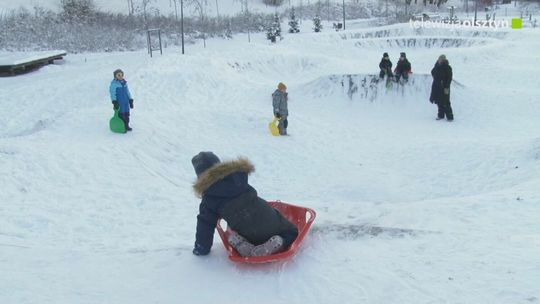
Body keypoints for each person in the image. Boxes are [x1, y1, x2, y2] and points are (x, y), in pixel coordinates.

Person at [191, 152, 298, 257]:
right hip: (267, 215)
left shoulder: (209, 198)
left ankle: (241, 242)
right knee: (292, 232)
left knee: (235, 226)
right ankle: (280, 241)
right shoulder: (237, 177)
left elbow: (205, 225)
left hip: (249, 232)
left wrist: (201, 248)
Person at [430, 55, 454, 121]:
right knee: (439, 102)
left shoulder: (448, 67)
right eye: (439, 59)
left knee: (446, 102)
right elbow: (432, 72)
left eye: (441, 60)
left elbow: (449, 78)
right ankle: (440, 115)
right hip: (436, 87)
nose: (440, 61)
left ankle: (450, 117)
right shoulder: (436, 66)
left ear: (444, 60)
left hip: (444, 87)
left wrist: (446, 87)